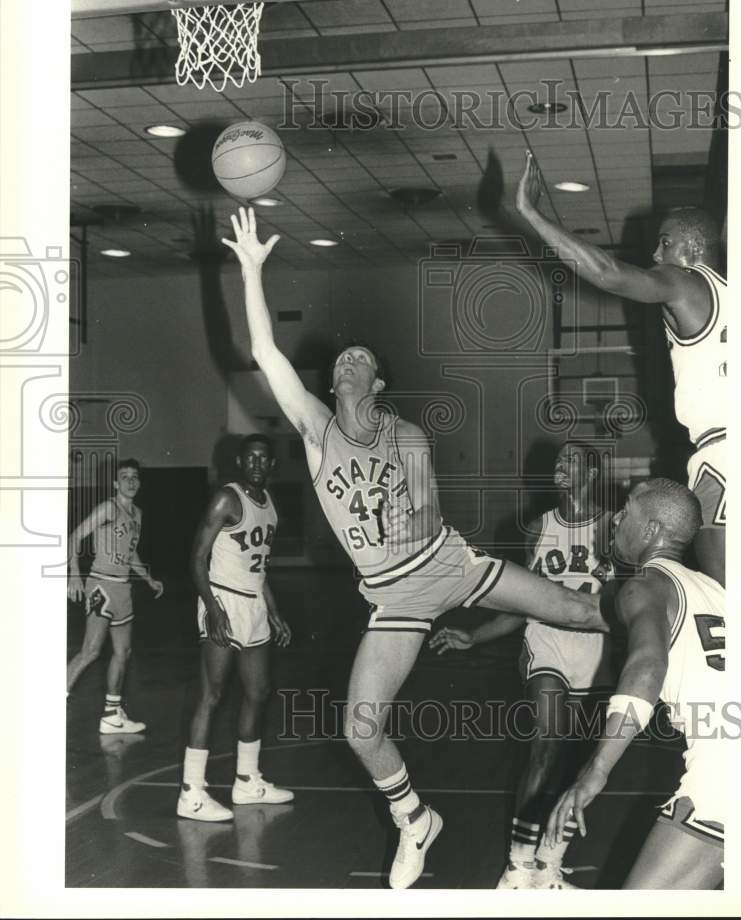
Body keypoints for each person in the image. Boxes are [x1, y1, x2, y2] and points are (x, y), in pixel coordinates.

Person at [221, 206, 612, 889]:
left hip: (447, 565)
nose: (346, 360)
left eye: (360, 360)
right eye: (341, 358)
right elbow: (265, 355)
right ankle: (414, 820)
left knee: (581, 613)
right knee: (358, 729)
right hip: (394, 596)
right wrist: (252, 271)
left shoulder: (404, 435)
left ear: (374, 387)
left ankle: (676, 644)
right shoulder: (316, 430)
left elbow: (425, 516)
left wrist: (389, 548)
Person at [515, 152, 726, 587]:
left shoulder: (687, 282)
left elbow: (609, 273)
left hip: (725, 454)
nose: (655, 251)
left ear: (693, 248)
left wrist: (530, 213)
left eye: (664, 242)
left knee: (728, 600)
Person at [430, 442, 615, 889]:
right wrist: (473, 635)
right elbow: (523, 603)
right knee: (546, 745)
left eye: (570, 460)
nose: (558, 466)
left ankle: (549, 864)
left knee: (577, 764)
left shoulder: (613, 528)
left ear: (592, 473)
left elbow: (630, 604)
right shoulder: (537, 529)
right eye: (557, 460)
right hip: (546, 643)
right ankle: (516, 866)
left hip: (598, 651)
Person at [544, 477, 726, 889]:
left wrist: (598, 768)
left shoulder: (645, 585)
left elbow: (646, 666)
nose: (615, 520)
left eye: (625, 511)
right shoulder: (715, 591)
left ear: (651, 530)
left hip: (728, 768)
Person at [177, 434, 294, 823]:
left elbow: (260, 570)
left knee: (259, 691)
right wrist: (212, 608)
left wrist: (274, 612)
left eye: (265, 458)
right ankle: (191, 793)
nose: (258, 464)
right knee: (212, 695)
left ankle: (247, 781)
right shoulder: (227, 499)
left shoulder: (271, 506)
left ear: (272, 465)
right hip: (223, 599)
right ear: (241, 463)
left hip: (255, 603)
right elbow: (196, 559)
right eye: (251, 458)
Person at [67, 458, 164, 734]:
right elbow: (75, 536)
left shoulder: (138, 514)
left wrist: (147, 578)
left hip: (123, 589)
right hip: (102, 586)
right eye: (125, 477)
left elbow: (130, 552)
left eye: (135, 477)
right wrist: (74, 574)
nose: (131, 481)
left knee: (123, 652)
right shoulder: (108, 508)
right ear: (115, 483)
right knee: (91, 651)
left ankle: (112, 715)